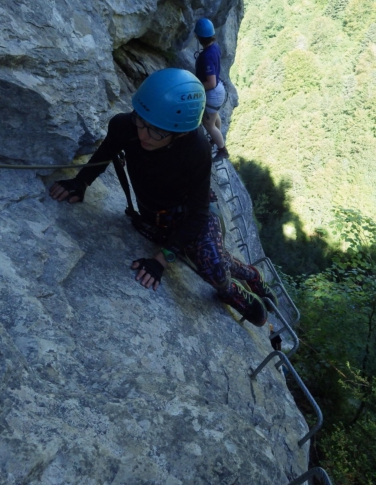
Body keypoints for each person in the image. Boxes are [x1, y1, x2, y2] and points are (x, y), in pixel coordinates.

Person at [49, 68, 276, 326]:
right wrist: (81, 183)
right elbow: (106, 152)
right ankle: (250, 274)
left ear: (179, 132)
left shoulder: (196, 149)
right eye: (142, 122)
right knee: (205, 254)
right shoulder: (126, 126)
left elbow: (199, 214)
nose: (144, 135)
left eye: (156, 131)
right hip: (155, 215)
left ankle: (231, 291)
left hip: (193, 211)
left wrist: (161, 259)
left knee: (211, 264)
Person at [194, 18, 229, 162]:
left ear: (198, 36)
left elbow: (211, 82)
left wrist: (196, 87)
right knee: (215, 117)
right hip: (219, 91)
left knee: (208, 124)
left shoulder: (206, 56)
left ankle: (222, 150)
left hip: (213, 92)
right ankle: (216, 140)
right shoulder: (215, 47)